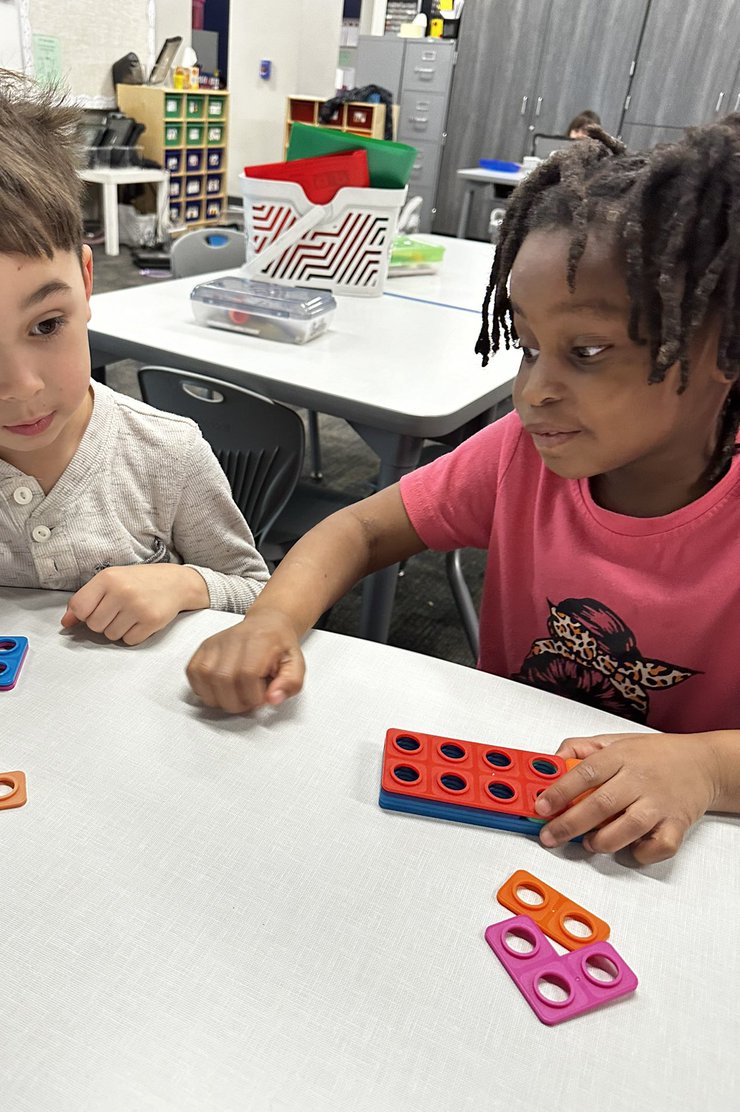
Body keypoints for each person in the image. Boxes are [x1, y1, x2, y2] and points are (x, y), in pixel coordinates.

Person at [186, 117, 740, 865]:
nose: (533, 391)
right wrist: (275, 619)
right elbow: (360, 529)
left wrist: (705, 769)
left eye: (587, 352)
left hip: (669, 847)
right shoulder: (522, 455)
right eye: (530, 346)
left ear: (724, 347)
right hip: (502, 798)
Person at [0, 50, 268, 645]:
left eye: (46, 324)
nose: (24, 385)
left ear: (87, 283)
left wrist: (191, 585)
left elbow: (255, 593)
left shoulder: (166, 454)